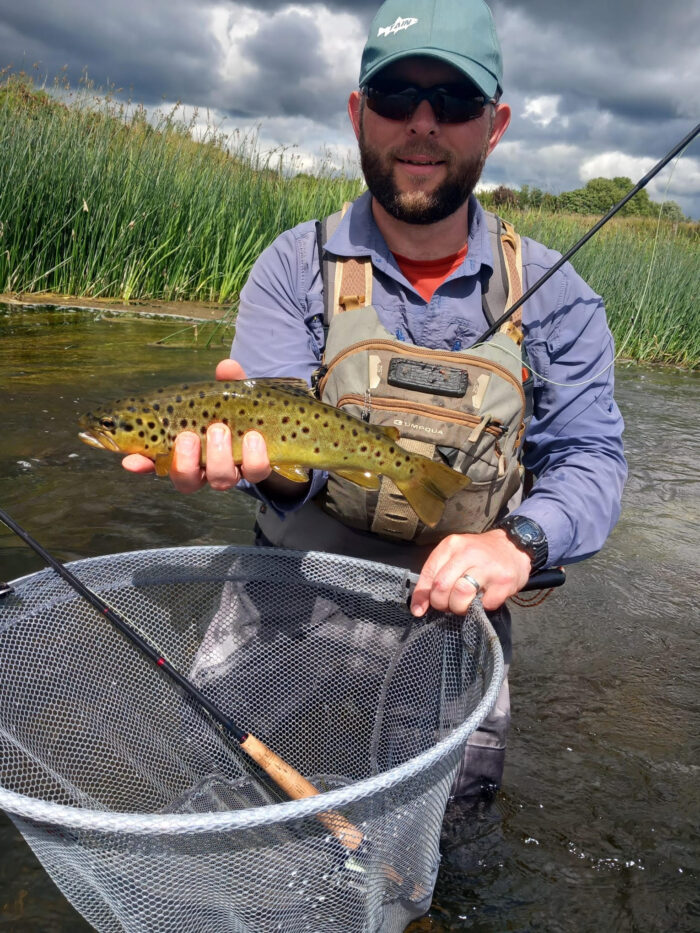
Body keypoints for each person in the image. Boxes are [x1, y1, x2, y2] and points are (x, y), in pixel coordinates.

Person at [124, 0, 627, 797]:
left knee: (451, 826)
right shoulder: (293, 267)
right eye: (397, 97)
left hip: (455, 612)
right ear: (360, 114)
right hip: (289, 590)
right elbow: (285, 443)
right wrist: (265, 467)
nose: (422, 123)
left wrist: (521, 541)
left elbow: (590, 458)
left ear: (493, 126)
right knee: (217, 787)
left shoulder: (558, 295)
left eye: (453, 101)